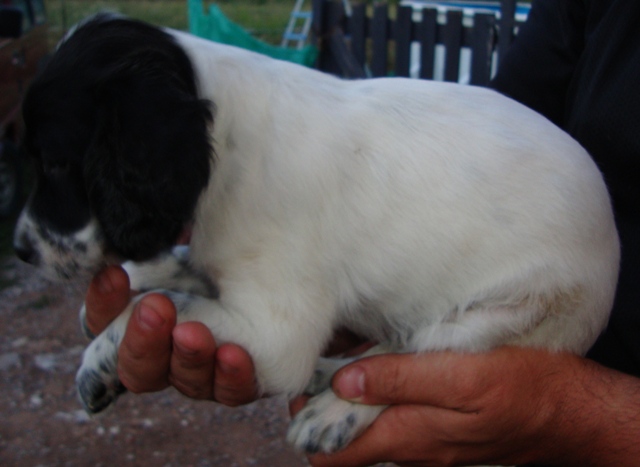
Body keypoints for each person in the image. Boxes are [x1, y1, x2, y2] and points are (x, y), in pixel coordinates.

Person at [83, 0, 640, 465]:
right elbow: (508, 123)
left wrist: (577, 415)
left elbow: (278, 351)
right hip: (534, 260)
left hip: (543, 304)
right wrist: (357, 267)